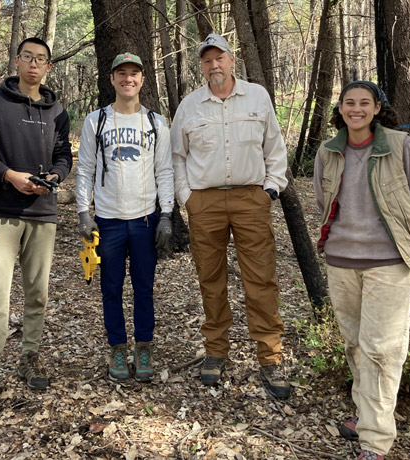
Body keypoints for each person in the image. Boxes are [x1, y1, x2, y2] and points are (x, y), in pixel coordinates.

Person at [313, 81, 410, 460]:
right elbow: (322, 198)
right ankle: (366, 413)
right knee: (356, 345)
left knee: (383, 350)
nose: (357, 109)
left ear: (377, 108)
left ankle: (375, 442)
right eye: (350, 103)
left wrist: (401, 243)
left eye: (365, 103)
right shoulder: (329, 151)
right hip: (342, 261)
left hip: (389, 263)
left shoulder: (401, 146)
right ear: (341, 109)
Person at [170, 34, 290, 397]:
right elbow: (177, 156)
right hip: (204, 202)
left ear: (232, 59)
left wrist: (271, 188)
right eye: (207, 61)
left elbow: (275, 145)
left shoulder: (257, 97)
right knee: (211, 279)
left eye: (219, 58)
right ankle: (215, 352)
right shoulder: (190, 106)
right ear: (202, 66)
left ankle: (270, 358)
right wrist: (186, 196)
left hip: (251, 198)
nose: (214, 66)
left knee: (261, 279)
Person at [0, 37, 72, 416]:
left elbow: (64, 154)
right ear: (17, 61)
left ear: (47, 66)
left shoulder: (57, 109)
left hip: (43, 212)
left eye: (41, 59)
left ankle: (30, 356)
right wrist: (9, 175)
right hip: (1, 210)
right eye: (27, 57)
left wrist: (55, 177)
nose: (33, 64)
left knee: (38, 293)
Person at [75, 52, 174, 382]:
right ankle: (117, 347)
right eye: (122, 73)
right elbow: (86, 168)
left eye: (134, 73)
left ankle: (143, 346)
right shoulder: (96, 121)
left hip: (145, 219)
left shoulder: (156, 123)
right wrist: (83, 213)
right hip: (108, 220)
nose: (128, 78)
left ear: (142, 79)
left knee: (144, 288)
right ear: (113, 79)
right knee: (111, 287)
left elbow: (165, 170)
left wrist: (167, 215)